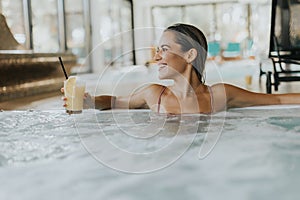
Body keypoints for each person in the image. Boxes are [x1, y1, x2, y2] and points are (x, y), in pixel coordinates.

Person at [63, 23, 300, 114]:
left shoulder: (219, 95)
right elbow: (115, 102)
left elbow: (277, 101)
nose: (156, 57)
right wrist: (89, 102)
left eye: (164, 49)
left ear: (190, 54)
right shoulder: (154, 94)